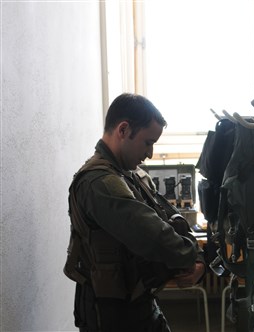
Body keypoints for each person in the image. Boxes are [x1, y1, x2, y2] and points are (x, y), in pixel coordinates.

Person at [64, 93, 205, 331]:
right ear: (123, 129)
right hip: (112, 314)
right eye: (148, 142)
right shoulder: (100, 183)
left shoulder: (133, 175)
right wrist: (193, 256)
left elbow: (172, 219)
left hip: (140, 302)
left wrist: (198, 259)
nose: (150, 153)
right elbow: (154, 237)